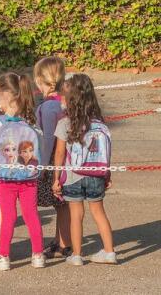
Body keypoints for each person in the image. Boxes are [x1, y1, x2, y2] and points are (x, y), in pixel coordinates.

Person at [0, 72, 45, 271]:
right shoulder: (31, 123)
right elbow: (39, 148)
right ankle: (38, 255)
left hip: (5, 178)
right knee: (31, 215)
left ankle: (4, 257)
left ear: (4, 100)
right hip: (29, 178)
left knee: (8, 216)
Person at [52, 74, 116, 266]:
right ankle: (109, 252)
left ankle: (77, 255)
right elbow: (105, 153)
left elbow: (60, 153)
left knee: (76, 215)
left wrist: (56, 178)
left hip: (73, 176)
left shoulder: (65, 123)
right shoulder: (100, 123)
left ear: (70, 98)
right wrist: (107, 175)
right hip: (96, 175)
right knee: (99, 212)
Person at [33, 56, 72, 259]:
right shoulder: (63, 102)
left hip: (53, 161)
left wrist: (41, 167)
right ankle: (60, 240)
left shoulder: (49, 107)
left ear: (42, 80)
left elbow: (48, 140)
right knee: (62, 204)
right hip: (66, 158)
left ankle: (64, 243)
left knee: (60, 203)